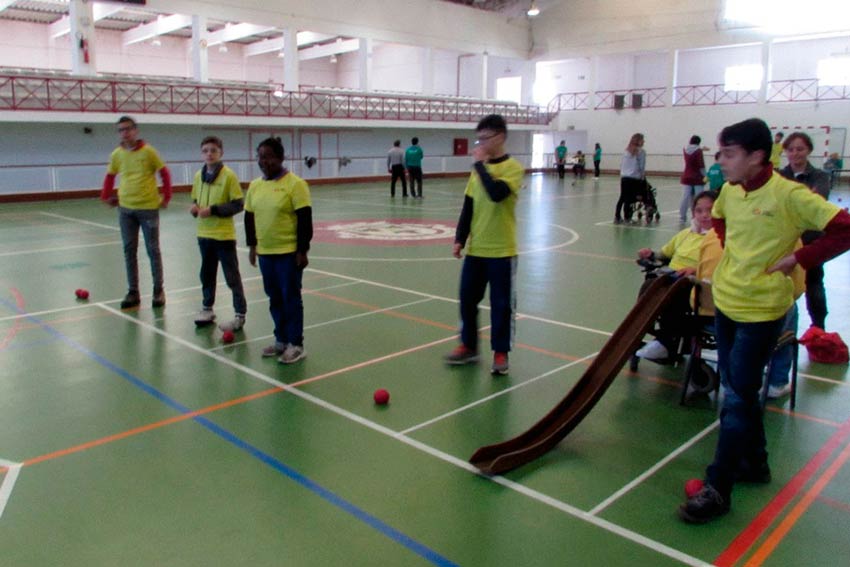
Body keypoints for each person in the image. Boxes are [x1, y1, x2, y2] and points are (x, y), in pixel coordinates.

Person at [678, 118, 850, 524]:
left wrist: (798, 258)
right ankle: (755, 463)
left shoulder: (789, 195)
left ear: (757, 156)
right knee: (741, 389)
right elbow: (721, 217)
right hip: (726, 302)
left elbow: (844, 229)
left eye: (729, 154)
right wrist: (734, 251)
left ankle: (718, 487)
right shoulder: (730, 191)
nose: (721, 161)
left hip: (761, 312)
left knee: (737, 398)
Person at [444, 114, 524, 375]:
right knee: (467, 299)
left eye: (485, 138)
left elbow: (496, 194)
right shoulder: (477, 172)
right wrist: (460, 238)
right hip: (476, 250)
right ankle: (468, 346)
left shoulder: (513, 168)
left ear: (500, 137)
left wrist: (480, 166)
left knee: (501, 305)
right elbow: (468, 206)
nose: (480, 144)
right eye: (478, 139)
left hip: (502, 251)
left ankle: (500, 352)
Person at [244, 137, 313, 364]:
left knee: (290, 298)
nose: (264, 161)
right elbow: (249, 217)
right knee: (274, 298)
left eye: (269, 157)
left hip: (288, 253)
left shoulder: (295, 184)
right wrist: (252, 246)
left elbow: (304, 220)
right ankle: (281, 340)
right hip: (266, 253)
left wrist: (302, 250)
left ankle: (296, 344)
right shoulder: (255, 186)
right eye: (261, 157)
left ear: (281, 158)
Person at [100, 116, 172, 309]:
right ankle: (133, 291)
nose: (125, 133)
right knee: (129, 250)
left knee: (153, 250)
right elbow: (110, 176)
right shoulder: (117, 154)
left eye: (128, 129)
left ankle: (158, 290)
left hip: (148, 209)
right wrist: (105, 196)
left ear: (135, 130)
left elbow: (164, 173)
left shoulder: (149, 152)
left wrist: (166, 197)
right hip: (125, 210)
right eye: (121, 130)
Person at [634, 191, 716, 361]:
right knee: (651, 284)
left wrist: (695, 270)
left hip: (697, 286)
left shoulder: (720, 239)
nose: (704, 215)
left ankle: (665, 342)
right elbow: (664, 254)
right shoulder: (685, 234)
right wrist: (651, 254)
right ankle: (640, 330)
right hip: (671, 278)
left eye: (710, 210)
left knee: (672, 292)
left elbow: (719, 267)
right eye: (699, 211)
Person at [190, 136, 247, 332]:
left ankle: (240, 314)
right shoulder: (198, 176)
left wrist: (214, 210)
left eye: (213, 150)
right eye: (205, 150)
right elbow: (195, 199)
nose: (209, 154)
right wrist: (194, 208)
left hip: (223, 236)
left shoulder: (229, 176)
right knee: (206, 274)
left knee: (232, 276)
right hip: (204, 234)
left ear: (221, 152)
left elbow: (238, 204)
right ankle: (207, 308)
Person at [779, 132, 832, 330]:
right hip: (784, 241)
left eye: (800, 149)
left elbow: (817, 202)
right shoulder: (779, 176)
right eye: (791, 149)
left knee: (814, 283)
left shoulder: (820, 176)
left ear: (808, 150)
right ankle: (782, 328)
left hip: (811, 240)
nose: (795, 153)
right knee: (781, 283)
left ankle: (818, 328)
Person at [615, 133, 645, 224]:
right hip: (634, 178)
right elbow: (641, 166)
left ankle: (617, 217)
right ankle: (627, 218)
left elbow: (622, 165)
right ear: (639, 141)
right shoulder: (641, 152)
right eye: (642, 140)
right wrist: (642, 177)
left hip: (624, 177)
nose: (644, 141)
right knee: (630, 199)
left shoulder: (626, 151)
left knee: (622, 197)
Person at [680, 135, 706, 223]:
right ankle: (696, 216)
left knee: (685, 198)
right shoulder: (698, 151)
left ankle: (682, 217)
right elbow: (701, 165)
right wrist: (705, 176)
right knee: (699, 198)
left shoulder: (685, 149)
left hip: (686, 176)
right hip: (697, 177)